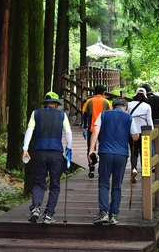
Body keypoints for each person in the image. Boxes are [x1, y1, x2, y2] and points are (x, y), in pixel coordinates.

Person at [22, 91, 73, 225]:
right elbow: (68, 132)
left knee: (39, 182)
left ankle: (36, 208)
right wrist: (69, 149)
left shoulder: (36, 113)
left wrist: (25, 149)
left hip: (39, 152)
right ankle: (48, 214)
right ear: (56, 104)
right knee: (55, 185)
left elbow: (29, 130)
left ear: (45, 103)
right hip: (56, 153)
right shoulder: (62, 115)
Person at [89, 97, 139, 225]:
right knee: (117, 185)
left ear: (113, 106)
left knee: (104, 183)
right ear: (125, 107)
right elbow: (135, 136)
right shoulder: (129, 118)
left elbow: (96, 130)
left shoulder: (104, 114)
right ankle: (114, 215)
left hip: (105, 153)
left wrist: (91, 149)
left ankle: (104, 212)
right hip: (121, 154)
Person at [82, 85, 112, 178]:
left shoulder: (89, 101)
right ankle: (103, 168)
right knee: (104, 147)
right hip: (104, 129)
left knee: (91, 148)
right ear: (104, 93)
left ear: (94, 92)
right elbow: (110, 115)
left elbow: (85, 114)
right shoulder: (107, 102)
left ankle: (92, 167)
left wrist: (85, 126)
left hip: (92, 128)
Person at [127, 87, 153, 183]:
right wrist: (152, 132)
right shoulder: (147, 106)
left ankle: (134, 169)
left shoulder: (129, 105)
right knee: (144, 152)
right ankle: (145, 172)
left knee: (134, 152)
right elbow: (149, 121)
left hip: (133, 132)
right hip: (144, 132)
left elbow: (127, 118)